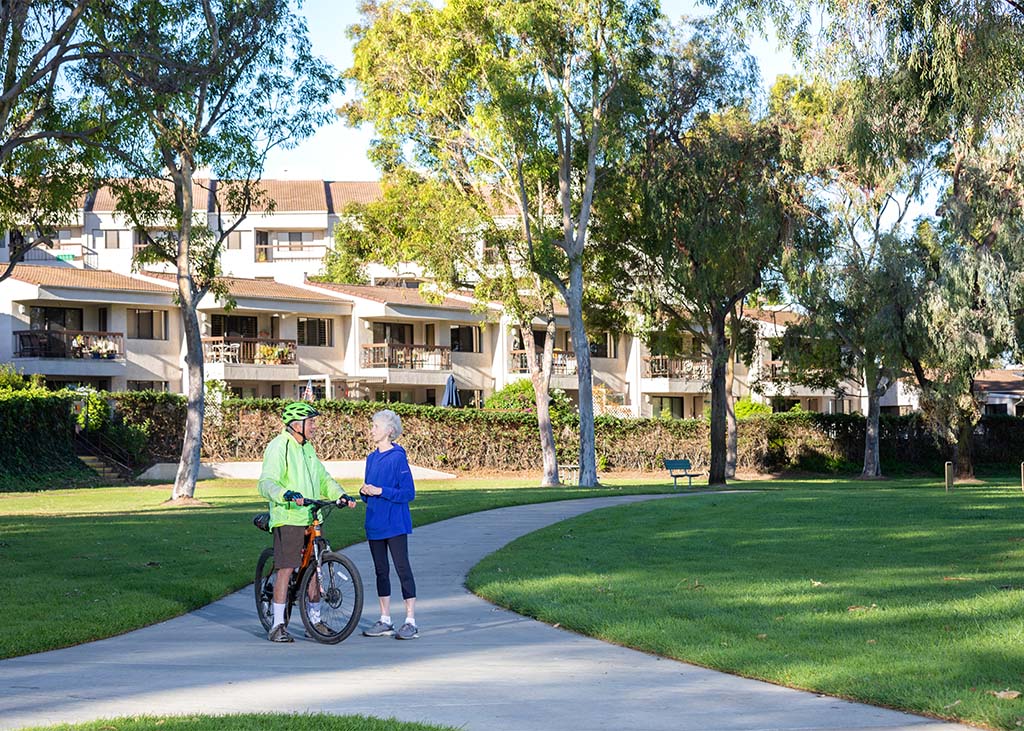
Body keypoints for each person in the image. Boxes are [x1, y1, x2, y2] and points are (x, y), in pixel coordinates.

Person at [257, 401, 356, 643]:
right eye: (310, 422)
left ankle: (315, 620)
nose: (314, 426)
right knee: (287, 567)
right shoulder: (279, 446)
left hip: (312, 517)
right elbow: (267, 482)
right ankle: (278, 625)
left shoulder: (307, 449)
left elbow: (324, 479)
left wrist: (340, 495)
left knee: (316, 569)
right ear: (295, 424)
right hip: (288, 516)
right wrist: (285, 495)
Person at [360, 409, 419, 640]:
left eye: (375, 426)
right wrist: (364, 491)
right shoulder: (371, 458)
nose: (371, 430)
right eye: (372, 426)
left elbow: (408, 493)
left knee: (402, 569)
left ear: (389, 431)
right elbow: (368, 491)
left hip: (395, 524)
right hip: (374, 523)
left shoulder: (398, 457)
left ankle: (410, 621)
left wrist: (380, 491)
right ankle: (385, 620)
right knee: (380, 571)